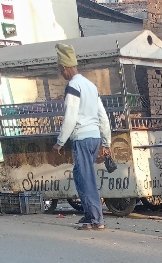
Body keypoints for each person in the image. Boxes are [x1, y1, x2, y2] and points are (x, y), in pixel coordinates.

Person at [53, 43, 111, 231]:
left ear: (65, 68)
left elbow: (70, 117)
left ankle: (96, 219)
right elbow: (103, 116)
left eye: (61, 70)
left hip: (82, 138)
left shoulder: (73, 86)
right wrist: (106, 141)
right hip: (94, 137)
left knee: (85, 178)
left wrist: (60, 142)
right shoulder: (90, 86)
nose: (61, 74)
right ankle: (89, 213)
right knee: (80, 175)